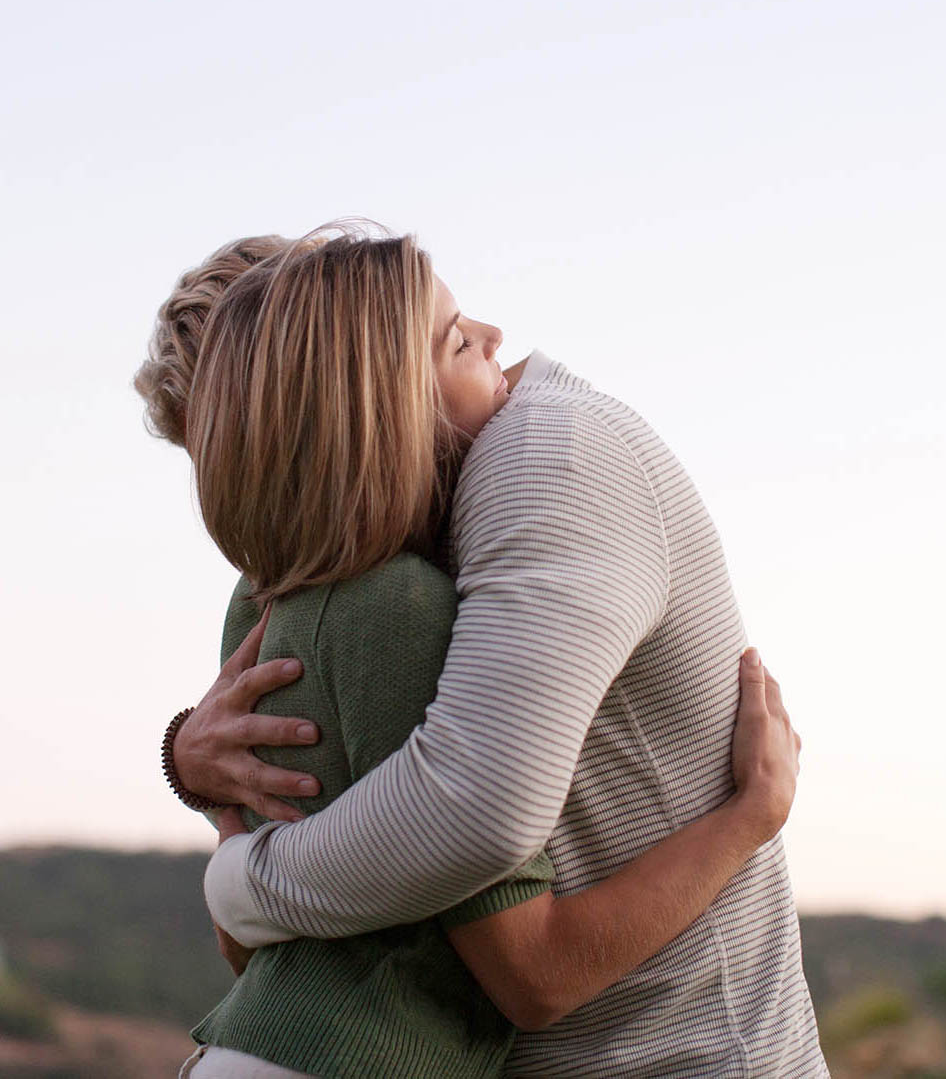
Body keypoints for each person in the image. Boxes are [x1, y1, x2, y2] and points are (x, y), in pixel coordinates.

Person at [144, 226, 826, 1076]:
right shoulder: (334, 594)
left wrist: (240, 879)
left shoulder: (539, 466)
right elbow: (516, 960)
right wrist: (192, 769)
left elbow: (466, 830)